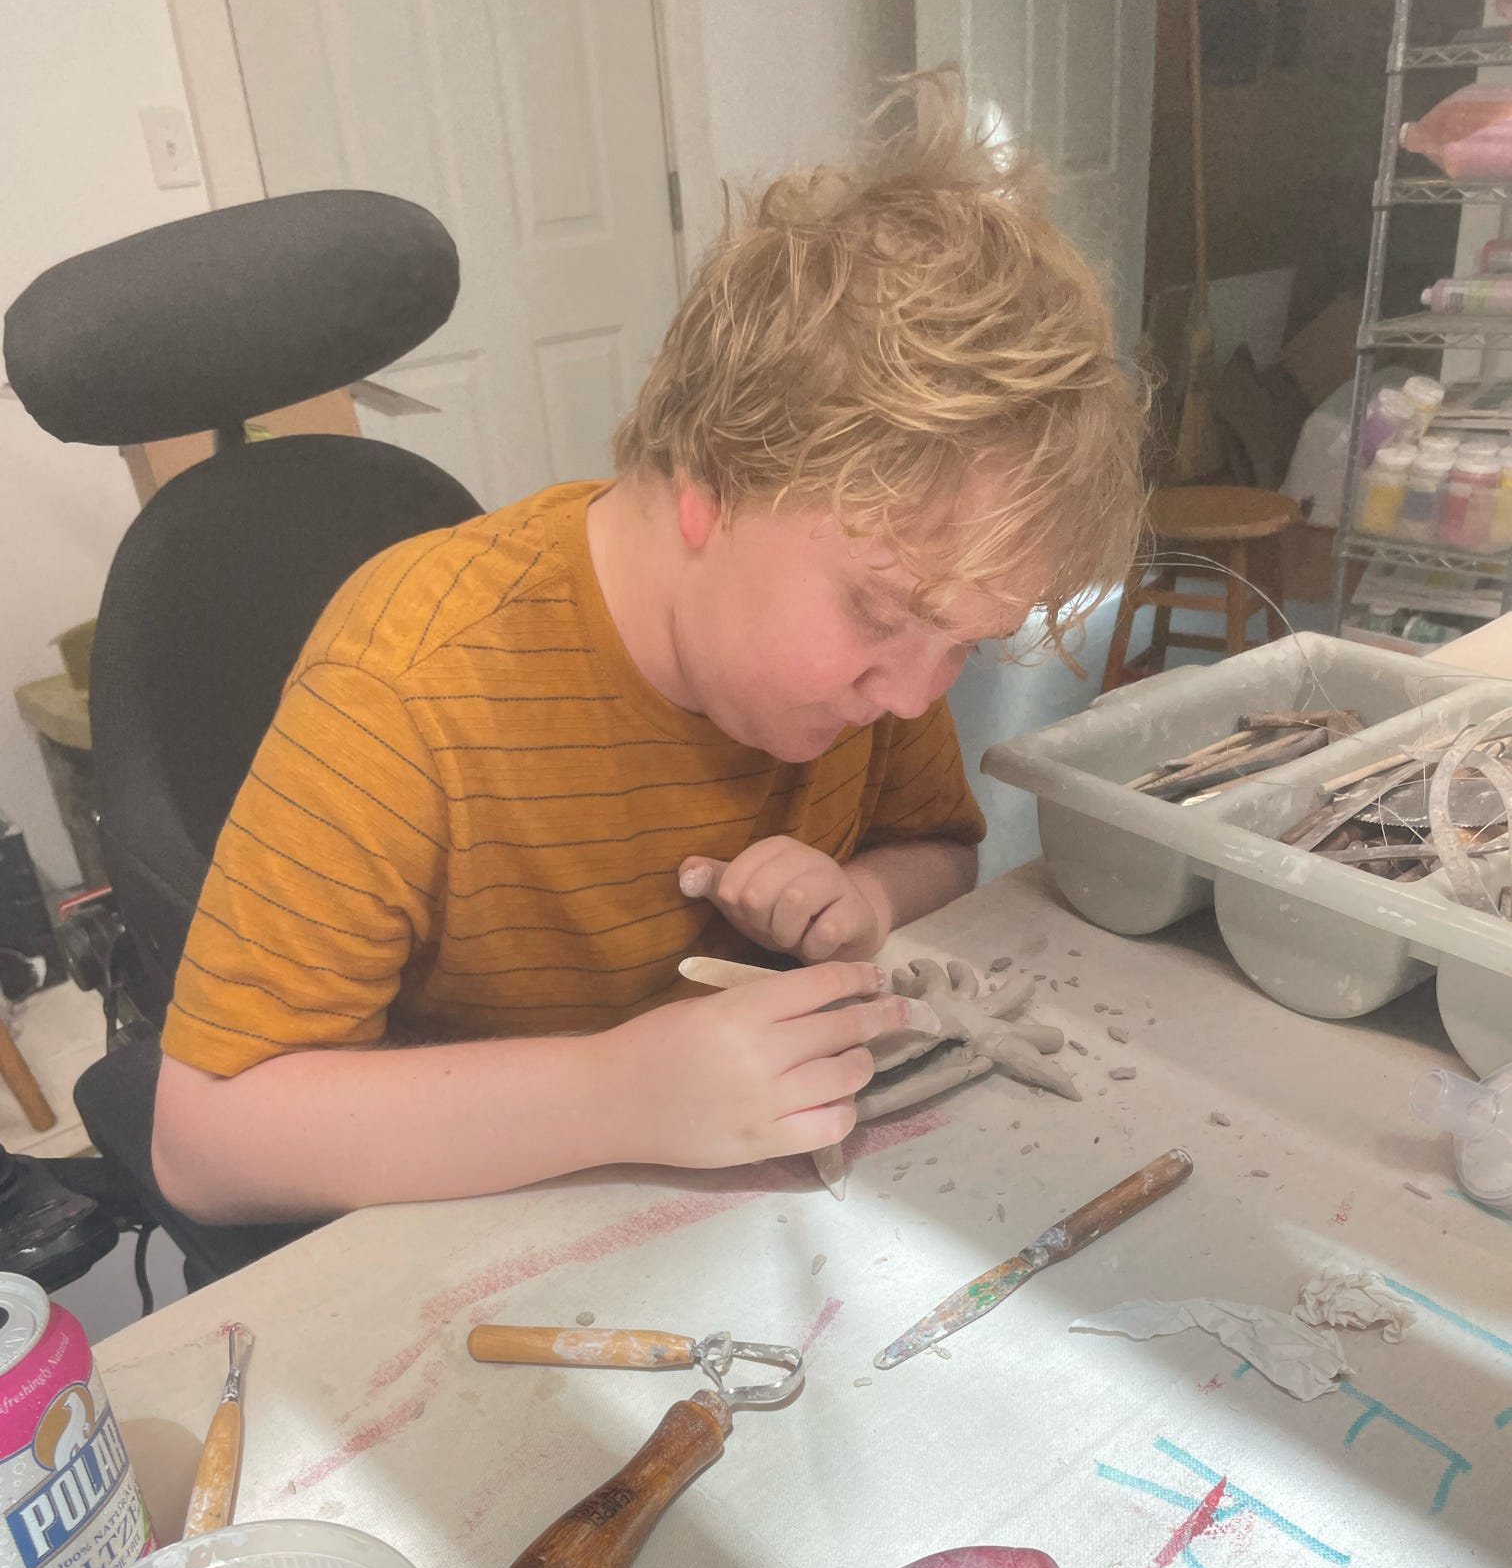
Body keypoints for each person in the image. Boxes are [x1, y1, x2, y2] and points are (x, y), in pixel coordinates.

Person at [151, 74, 1144, 1223]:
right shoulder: (404, 682)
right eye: (879, 617)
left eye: (967, 641)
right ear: (713, 479)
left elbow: (940, 851)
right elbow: (203, 1143)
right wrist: (614, 1093)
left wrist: (866, 899)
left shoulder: (889, 643)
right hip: (481, 1220)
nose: (918, 691)